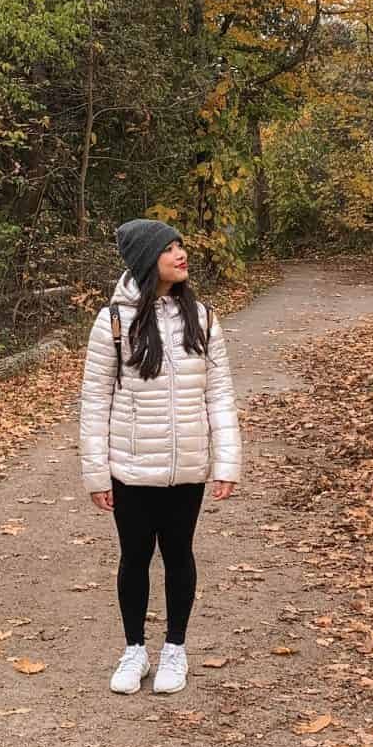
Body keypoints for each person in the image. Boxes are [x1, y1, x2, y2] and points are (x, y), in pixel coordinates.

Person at [78, 219, 242, 695]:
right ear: (147, 260)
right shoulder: (113, 321)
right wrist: (97, 474)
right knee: (134, 557)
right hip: (130, 467)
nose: (180, 254)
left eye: (180, 245)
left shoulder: (203, 318)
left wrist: (226, 462)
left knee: (179, 555)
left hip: (186, 466)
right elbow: (94, 402)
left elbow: (219, 395)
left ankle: (175, 649)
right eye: (168, 248)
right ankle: (134, 650)